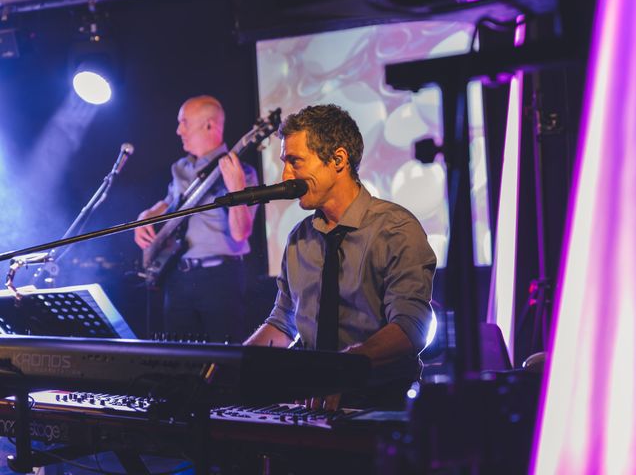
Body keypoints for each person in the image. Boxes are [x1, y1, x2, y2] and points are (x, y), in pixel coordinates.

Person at [244, 104, 437, 410]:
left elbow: (411, 328)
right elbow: (283, 323)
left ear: (338, 159)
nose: (285, 175)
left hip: (380, 403)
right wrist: (230, 367)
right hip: (314, 402)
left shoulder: (396, 228)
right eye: (284, 162)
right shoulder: (299, 237)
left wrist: (343, 368)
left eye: (295, 162)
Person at [134, 95, 258, 343]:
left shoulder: (242, 172)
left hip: (220, 280)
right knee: (177, 361)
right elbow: (170, 201)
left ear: (209, 125)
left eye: (184, 123)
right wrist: (146, 215)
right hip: (177, 276)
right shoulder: (180, 167)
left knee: (224, 362)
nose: (179, 130)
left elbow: (240, 233)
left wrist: (236, 189)